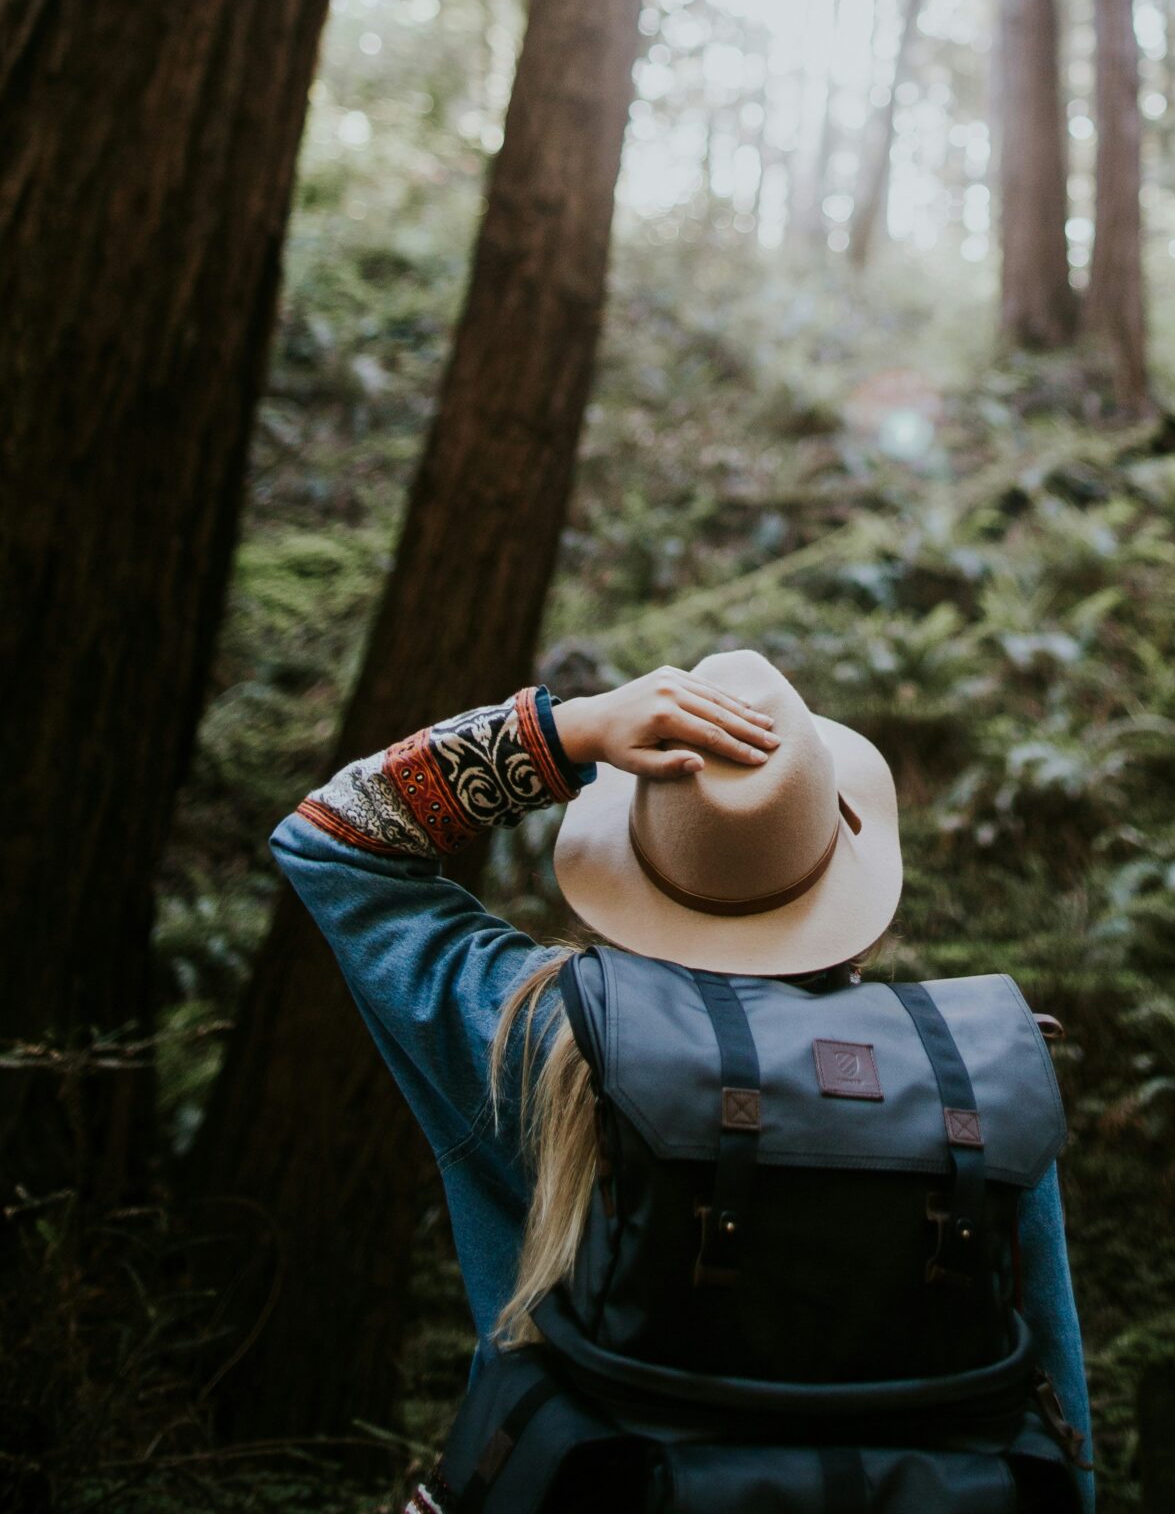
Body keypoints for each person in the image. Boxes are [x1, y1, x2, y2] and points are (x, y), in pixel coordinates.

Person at [278, 647, 1095, 1511]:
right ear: (839, 854)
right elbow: (1050, 1397)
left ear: (637, 862)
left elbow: (335, 839)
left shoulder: (546, 1042)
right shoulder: (970, 1073)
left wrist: (567, 731)